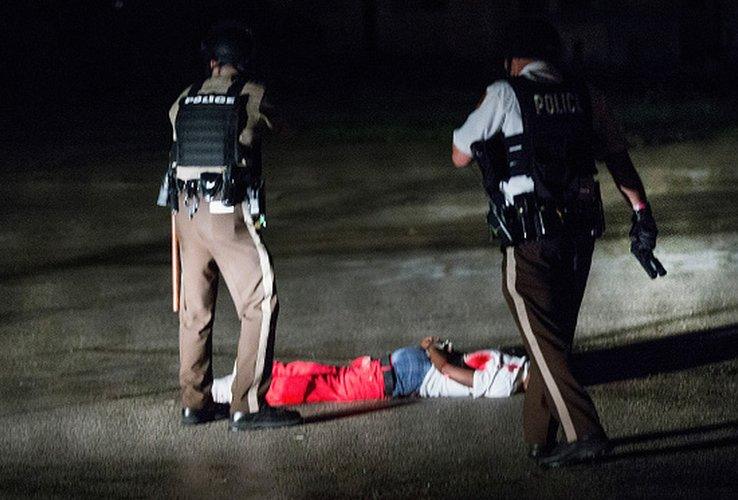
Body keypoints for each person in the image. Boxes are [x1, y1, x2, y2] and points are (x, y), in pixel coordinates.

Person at [450, 18, 665, 467]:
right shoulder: (586, 94)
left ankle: (585, 433)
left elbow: (459, 154)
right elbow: (618, 159)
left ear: (514, 59)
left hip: (529, 239)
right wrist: (642, 215)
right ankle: (539, 439)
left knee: (544, 340)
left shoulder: (506, 93)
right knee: (551, 341)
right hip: (580, 233)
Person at [158, 21, 301, 431]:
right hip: (226, 213)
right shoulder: (252, 95)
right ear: (245, 62)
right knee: (260, 302)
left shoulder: (183, 98)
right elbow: (285, 125)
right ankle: (248, 405)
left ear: (213, 62)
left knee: (195, 312)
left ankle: (194, 402)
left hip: (185, 215)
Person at [211, 337, 529, 406]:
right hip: (407, 375)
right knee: (329, 385)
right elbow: (448, 367)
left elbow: (450, 368)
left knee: (329, 378)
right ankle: (247, 385)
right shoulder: (509, 378)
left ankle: (253, 380)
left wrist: (433, 350)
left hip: (406, 371)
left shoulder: (508, 376)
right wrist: (435, 349)